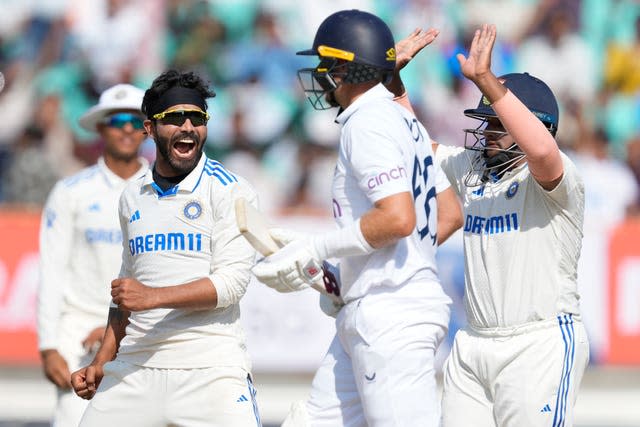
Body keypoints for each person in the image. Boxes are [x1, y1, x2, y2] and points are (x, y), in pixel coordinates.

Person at [251, 10, 463, 426]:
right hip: (376, 307)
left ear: (345, 67)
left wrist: (316, 247)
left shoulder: (367, 121)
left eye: (325, 64)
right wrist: (349, 273)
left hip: (390, 316)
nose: (320, 74)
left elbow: (399, 219)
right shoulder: (405, 120)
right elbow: (449, 214)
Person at [393, 24, 590, 426]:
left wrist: (486, 79)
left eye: (496, 124)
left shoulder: (558, 178)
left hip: (538, 343)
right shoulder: (472, 170)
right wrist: (390, 82)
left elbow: (541, 150)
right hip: (473, 344)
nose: (486, 134)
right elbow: (410, 142)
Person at [70, 70, 262, 427]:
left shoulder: (231, 190)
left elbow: (232, 285)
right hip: (135, 366)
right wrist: (100, 361)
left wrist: (152, 297)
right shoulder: (132, 194)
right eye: (175, 117)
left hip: (210, 368)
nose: (188, 126)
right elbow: (126, 291)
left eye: (198, 118)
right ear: (150, 129)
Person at [37, 83, 149, 427]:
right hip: (76, 333)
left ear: (147, 128)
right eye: (118, 120)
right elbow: (51, 269)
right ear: (101, 128)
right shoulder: (71, 191)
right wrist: (49, 344)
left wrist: (116, 329)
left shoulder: (163, 191)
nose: (127, 128)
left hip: (141, 332)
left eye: (135, 120)